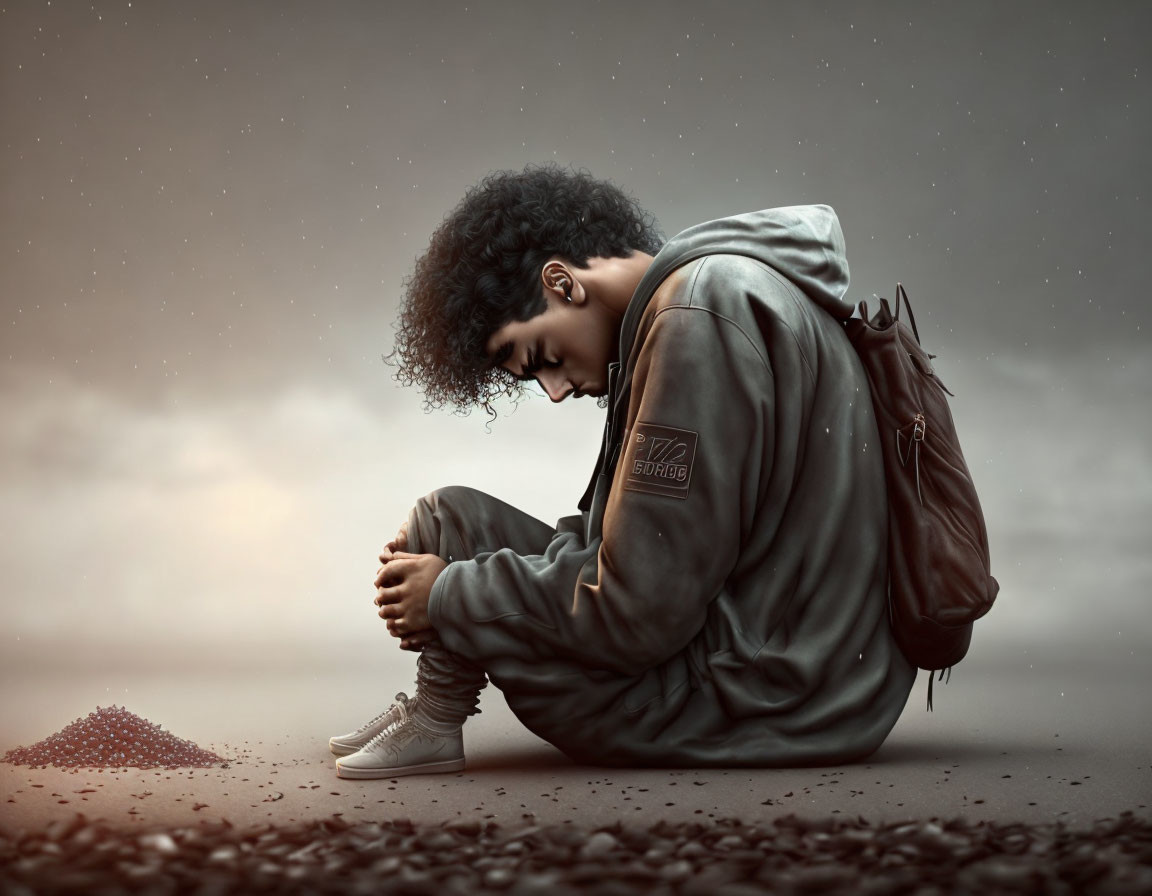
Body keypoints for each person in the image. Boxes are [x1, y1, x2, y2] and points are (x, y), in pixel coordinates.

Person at [329, 163, 916, 779]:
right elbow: (628, 551)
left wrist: (448, 595)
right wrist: (455, 575)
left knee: (452, 574)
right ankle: (432, 714)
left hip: (765, 700)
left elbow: (639, 613)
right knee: (447, 519)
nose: (554, 392)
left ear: (561, 282)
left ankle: (433, 718)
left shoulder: (695, 320)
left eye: (540, 358)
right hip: (793, 670)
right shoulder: (706, 295)